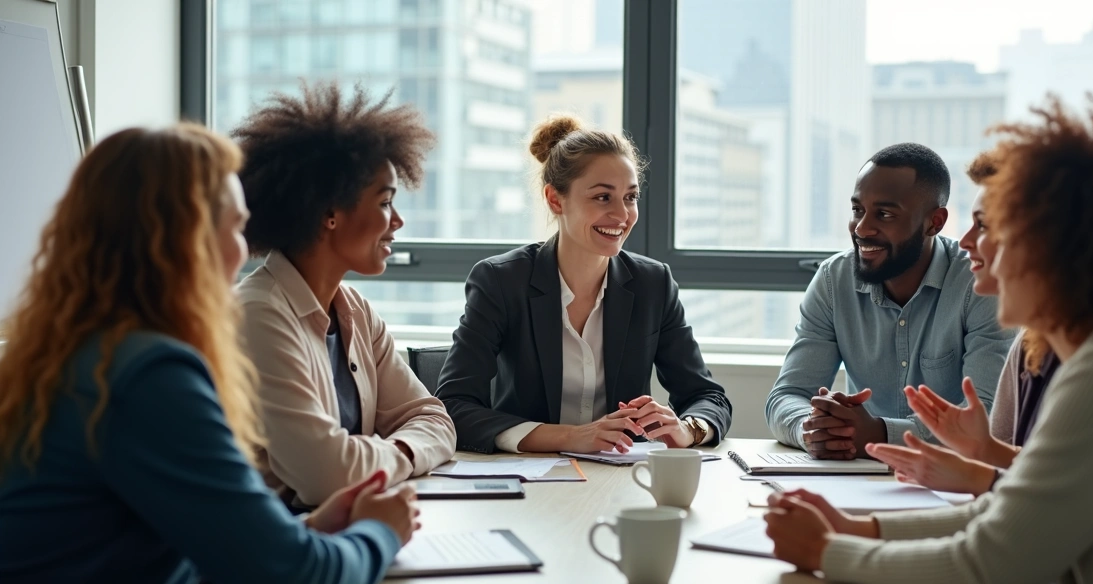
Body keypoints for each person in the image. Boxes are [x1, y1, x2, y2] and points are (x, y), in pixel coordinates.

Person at [764, 99, 1093, 584]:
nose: (969, 244)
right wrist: (858, 528)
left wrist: (827, 551)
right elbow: (1007, 513)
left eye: (985, 226)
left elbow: (990, 569)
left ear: (1054, 247)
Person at [0, 125, 419, 584]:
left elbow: (178, 546)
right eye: (236, 228)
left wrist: (308, 529)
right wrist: (380, 532)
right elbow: (291, 580)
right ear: (186, 238)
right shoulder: (150, 373)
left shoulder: (79, 350)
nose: (244, 253)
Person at [437, 115, 732, 454]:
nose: (622, 215)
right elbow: (453, 406)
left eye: (631, 197)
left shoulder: (653, 283)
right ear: (555, 200)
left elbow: (707, 396)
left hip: (620, 479)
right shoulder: (502, 281)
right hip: (528, 479)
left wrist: (687, 429)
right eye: (603, 198)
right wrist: (569, 437)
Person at [233, 82, 456, 508]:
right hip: (285, 554)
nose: (399, 221)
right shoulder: (257, 315)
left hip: (347, 532)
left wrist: (391, 455)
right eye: (386, 203)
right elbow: (328, 477)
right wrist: (400, 456)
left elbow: (433, 419)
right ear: (330, 213)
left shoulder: (355, 310)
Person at [766, 142, 1015, 460]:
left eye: (884, 214)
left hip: (953, 480)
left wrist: (882, 434)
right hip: (857, 477)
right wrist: (812, 429)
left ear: (934, 223)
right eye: (858, 209)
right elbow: (787, 396)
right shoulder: (833, 280)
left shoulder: (979, 283)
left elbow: (987, 420)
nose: (861, 228)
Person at [866, 152, 1061, 495]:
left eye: (982, 225)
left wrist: (853, 534)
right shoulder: (1030, 345)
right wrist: (983, 452)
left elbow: (1051, 503)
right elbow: (1020, 491)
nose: (966, 240)